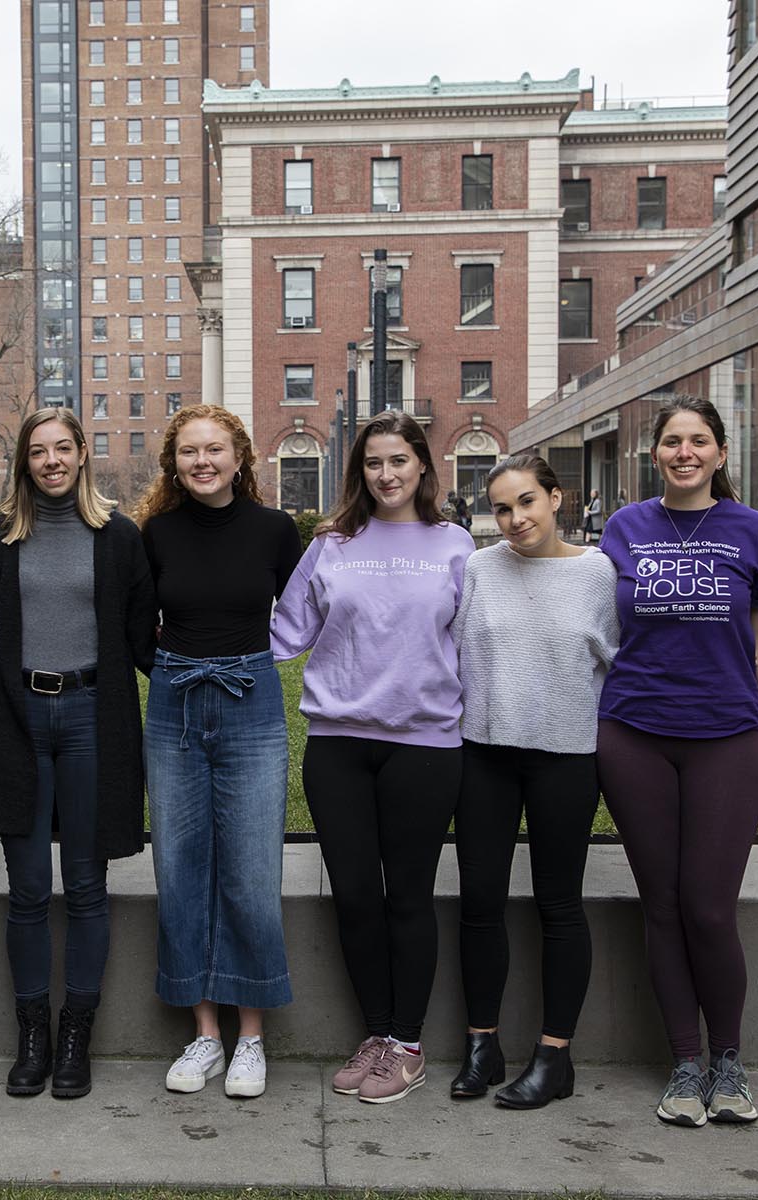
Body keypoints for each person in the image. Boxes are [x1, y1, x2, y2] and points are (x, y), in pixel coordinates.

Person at [596, 396, 758, 1128]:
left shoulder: (750, 529)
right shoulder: (625, 528)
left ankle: (729, 1062)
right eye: (673, 441)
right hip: (634, 734)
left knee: (708, 906)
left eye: (698, 440)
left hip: (727, 737)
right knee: (662, 905)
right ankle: (683, 1064)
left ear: (720, 453)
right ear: (655, 454)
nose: (685, 452)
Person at [271, 411, 473, 1104]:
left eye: (398, 460)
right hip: (339, 744)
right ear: (360, 472)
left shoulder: (456, 544)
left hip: (424, 745)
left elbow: (477, 642)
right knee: (355, 897)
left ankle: (409, 1046)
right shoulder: (332, 544)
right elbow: (283, 631)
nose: (386, 474)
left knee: (408, 897)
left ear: (422, 465)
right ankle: (377, 1033)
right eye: (373, 464)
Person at [0, 408, 156, 1100]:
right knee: (25, 889)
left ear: (82, 455)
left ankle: (76, 1030)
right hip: (18, 717)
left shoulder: (118, 537)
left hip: (91, 715)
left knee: (84, 885)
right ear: (25, 460)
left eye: (62, 449)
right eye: (38, 451)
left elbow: (144, 640)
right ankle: (32, 1034)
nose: (50, 461)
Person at [134, 404, 301, 1100]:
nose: (203, 462)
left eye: (216, 450)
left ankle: (251, 1039)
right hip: (174, 700)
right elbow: (133, 625)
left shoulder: (275, 530)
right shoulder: (155, 533)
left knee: (252, 870)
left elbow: (309, 610)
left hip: (251, 701)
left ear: (240, 458)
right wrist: (174, 671)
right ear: (174, 462)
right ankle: (204, 1033)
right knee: (179, 867)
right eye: (190, 452)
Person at [449, 455, 618, 1109]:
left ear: (556, 499)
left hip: (567, 756)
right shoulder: (478, 569)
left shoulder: (598, 572)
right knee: (479, 903)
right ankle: (481, 1046)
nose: (515, 518)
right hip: (484, 755)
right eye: (501, 508)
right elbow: (456, 653)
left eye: (526, 502)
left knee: (559, 904)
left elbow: (621, 661)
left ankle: (554, 1056)